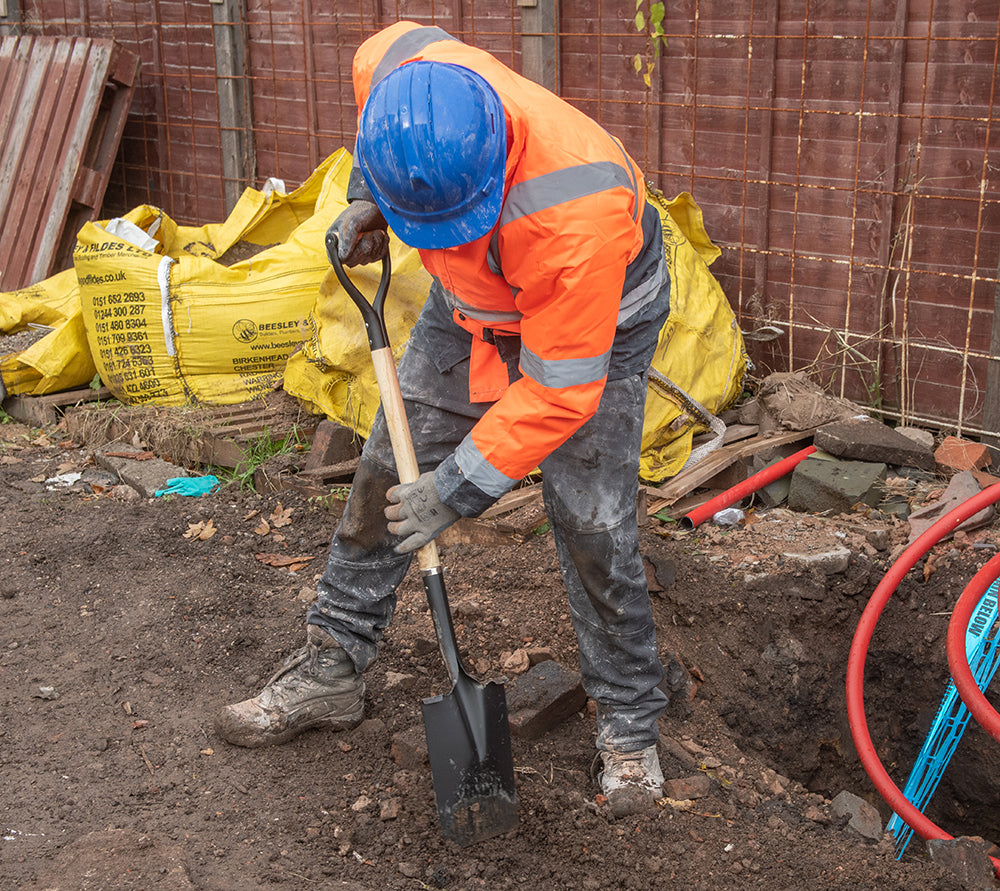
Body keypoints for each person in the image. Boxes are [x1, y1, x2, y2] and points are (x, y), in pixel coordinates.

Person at [215, 20, 672, 818]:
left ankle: (630, 727)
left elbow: (560, 391)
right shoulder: (399, 77)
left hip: (593, 325)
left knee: (592, 520)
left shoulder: (578, 213)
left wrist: (458, 486)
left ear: (497, 164)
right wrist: (368, 196)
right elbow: (380, 131)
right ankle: (332, 664)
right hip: (471, 307)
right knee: (388, 469)